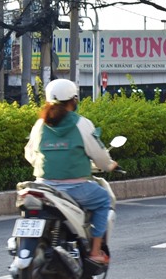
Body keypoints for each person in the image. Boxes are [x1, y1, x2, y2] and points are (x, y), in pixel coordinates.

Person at [23, 78, 118, 265]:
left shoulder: (40, 125)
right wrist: (109, 165)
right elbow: (98, 154)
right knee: (103, 200)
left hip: (43, 187)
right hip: (75, 187)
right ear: (73, 99)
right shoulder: (82, 124)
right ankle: (95, 251)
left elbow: (30, 153)